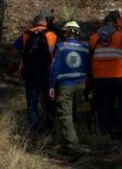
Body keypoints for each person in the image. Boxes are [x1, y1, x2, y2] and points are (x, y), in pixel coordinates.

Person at [48, 21, 91, 158]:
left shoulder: (60, 47)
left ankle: (73, 148)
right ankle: (80, 141)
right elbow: (89, 68)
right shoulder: (84, 48)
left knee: (65, 117)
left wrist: (51, 86)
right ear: (77, 33)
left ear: (66, 32)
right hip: (81, 85)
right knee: (81, 113)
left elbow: (54, 68)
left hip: (65, 86)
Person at [14, 11, 58, 133]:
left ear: (34, 23)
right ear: (44, 23)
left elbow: (15, 50)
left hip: (30, 73)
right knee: (48, 102)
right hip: (47, 73)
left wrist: (17, 66)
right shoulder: (52, 35)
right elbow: (57, 54)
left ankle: (35, 130)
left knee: (32, 103)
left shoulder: (26, 34)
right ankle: (50, 128)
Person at [89, 12, 122, 138]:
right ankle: (117, 126)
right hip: (118, 75)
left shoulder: (94, 38)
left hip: (100, 76)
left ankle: (104, 130)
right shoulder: (120, 36)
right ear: (115, 24)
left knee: (103, 102)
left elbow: (90, 55)